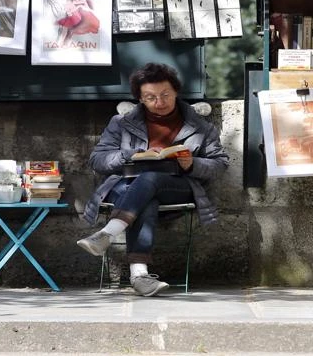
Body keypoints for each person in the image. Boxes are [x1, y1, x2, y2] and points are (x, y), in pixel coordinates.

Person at [77, 62, 228, 297]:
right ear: (139, 98)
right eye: (150, 97)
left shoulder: (200, 126)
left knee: (150, 180)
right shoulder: (121, 123)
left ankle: (108, 233)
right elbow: (97, 160)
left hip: (177, 186)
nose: (159, 102)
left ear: (176, 91)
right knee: (146, 195)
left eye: (165, 94)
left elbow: (220, 164)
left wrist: (192, 164)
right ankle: (139, 276)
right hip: (125, 186)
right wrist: (128, 154)